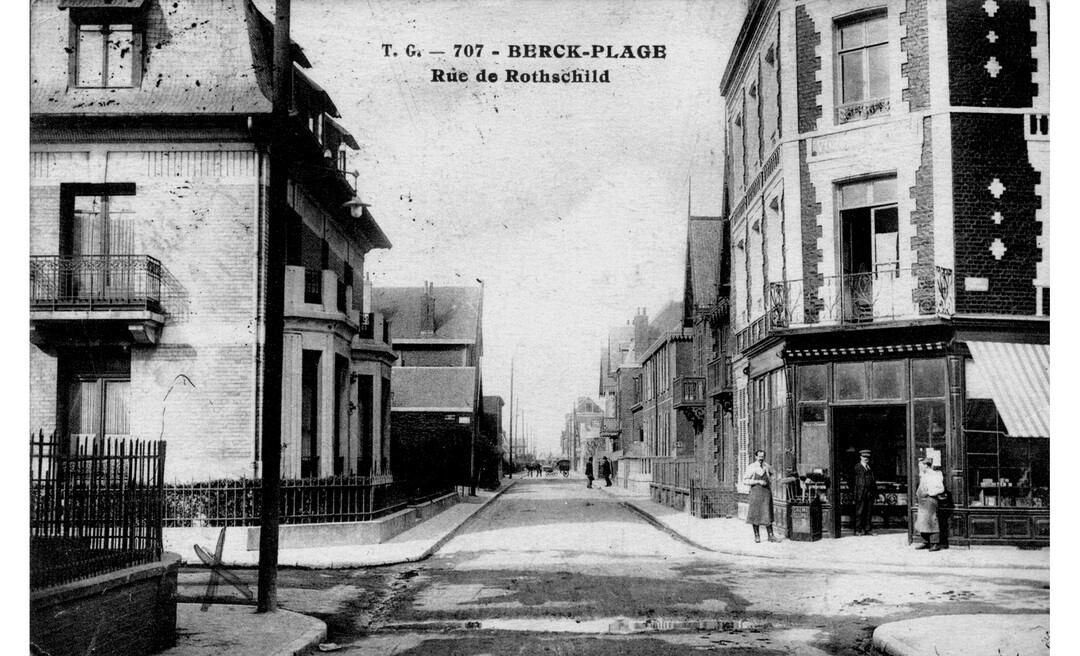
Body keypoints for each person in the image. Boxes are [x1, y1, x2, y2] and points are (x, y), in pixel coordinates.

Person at [743, 450, 778, 543]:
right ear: (756, 457)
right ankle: (757, 536)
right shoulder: (751, 467)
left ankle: (771, 535)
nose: (761, 459)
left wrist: (770, 479)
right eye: (759, 457)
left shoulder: (767, 466)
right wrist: (757, 481)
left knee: (767, 512)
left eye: (762, 457)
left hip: (766, 492)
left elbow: (774, 474)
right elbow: (745, 480)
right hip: (756, 493)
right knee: (756, 514)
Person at [914, 457, 945, 551]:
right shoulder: (924, 475)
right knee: (922, 522)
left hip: (930, 501)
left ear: (926, 466)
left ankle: (935, 543)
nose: (919, 467)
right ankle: (926, 542)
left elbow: (941, 488)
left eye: (920, 465)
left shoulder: (934, 475)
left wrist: (930, 493)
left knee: (932, 522)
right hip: (923, 502)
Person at [853, 449, 877, 536]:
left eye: (867, 457)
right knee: (859, 512)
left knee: (869, 511)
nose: (866, 458)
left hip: (869, 493)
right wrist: (856, 490)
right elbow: (852, 481)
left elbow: (873, 481)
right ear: (860, 457)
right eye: (864, 457)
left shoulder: (869, 467)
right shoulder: (857, 467)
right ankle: (858, 530)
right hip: (861, 493)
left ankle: (868, 529)